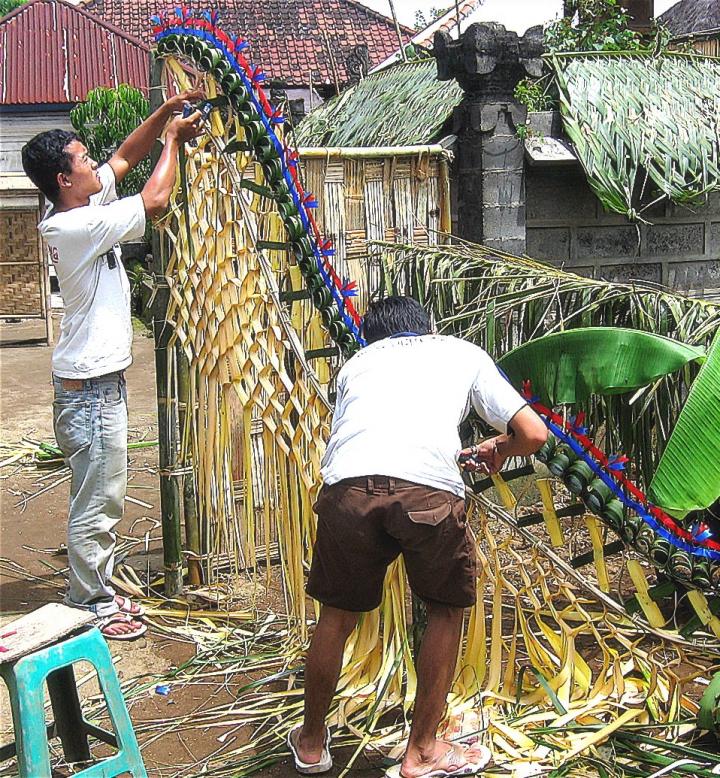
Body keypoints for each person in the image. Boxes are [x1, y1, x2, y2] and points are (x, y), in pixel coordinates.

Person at [287, 296, 548, 777]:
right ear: (427, 327)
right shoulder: (460, 351)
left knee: (336, 616)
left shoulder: (356, 363)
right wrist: (498, 448)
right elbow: (533, 433)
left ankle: (310, 742)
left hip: (349, 489)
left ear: (374, 336)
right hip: (428, 491)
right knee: (445, 612)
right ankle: (423, 750)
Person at [21, 89, 204, 640]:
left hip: (96, 388)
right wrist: (173, 140)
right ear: (62, 180)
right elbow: (154, 200)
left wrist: (164, 111)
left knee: (101, 495)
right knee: (97, 503)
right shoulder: (70, 227)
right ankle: (90, 601)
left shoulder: (86, 205)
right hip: (90, 392)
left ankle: (93, 589)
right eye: (81, 160)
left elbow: (125, 156)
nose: (93, 165)